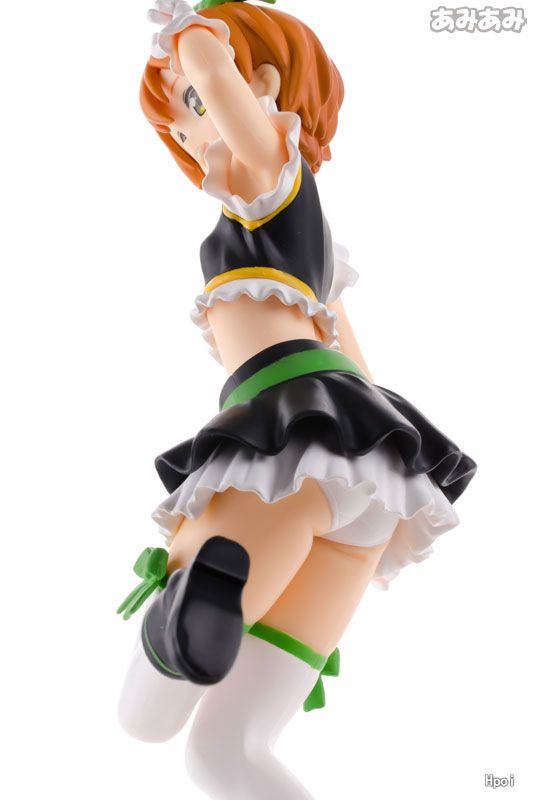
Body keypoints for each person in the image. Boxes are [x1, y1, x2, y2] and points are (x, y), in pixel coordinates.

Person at [117, 2, 477, 798]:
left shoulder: (266, 180)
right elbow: (355, 366)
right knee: (227, 752)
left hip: (288, 449)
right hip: (365, 479)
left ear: (264, 87)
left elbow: (222, 84)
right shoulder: (315, 251)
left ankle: (199, 601)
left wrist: (190, 31)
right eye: (176, 121)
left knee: (143, 719)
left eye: (190, 105)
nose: (189, 131)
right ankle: (205, 602)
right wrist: (393, 463)